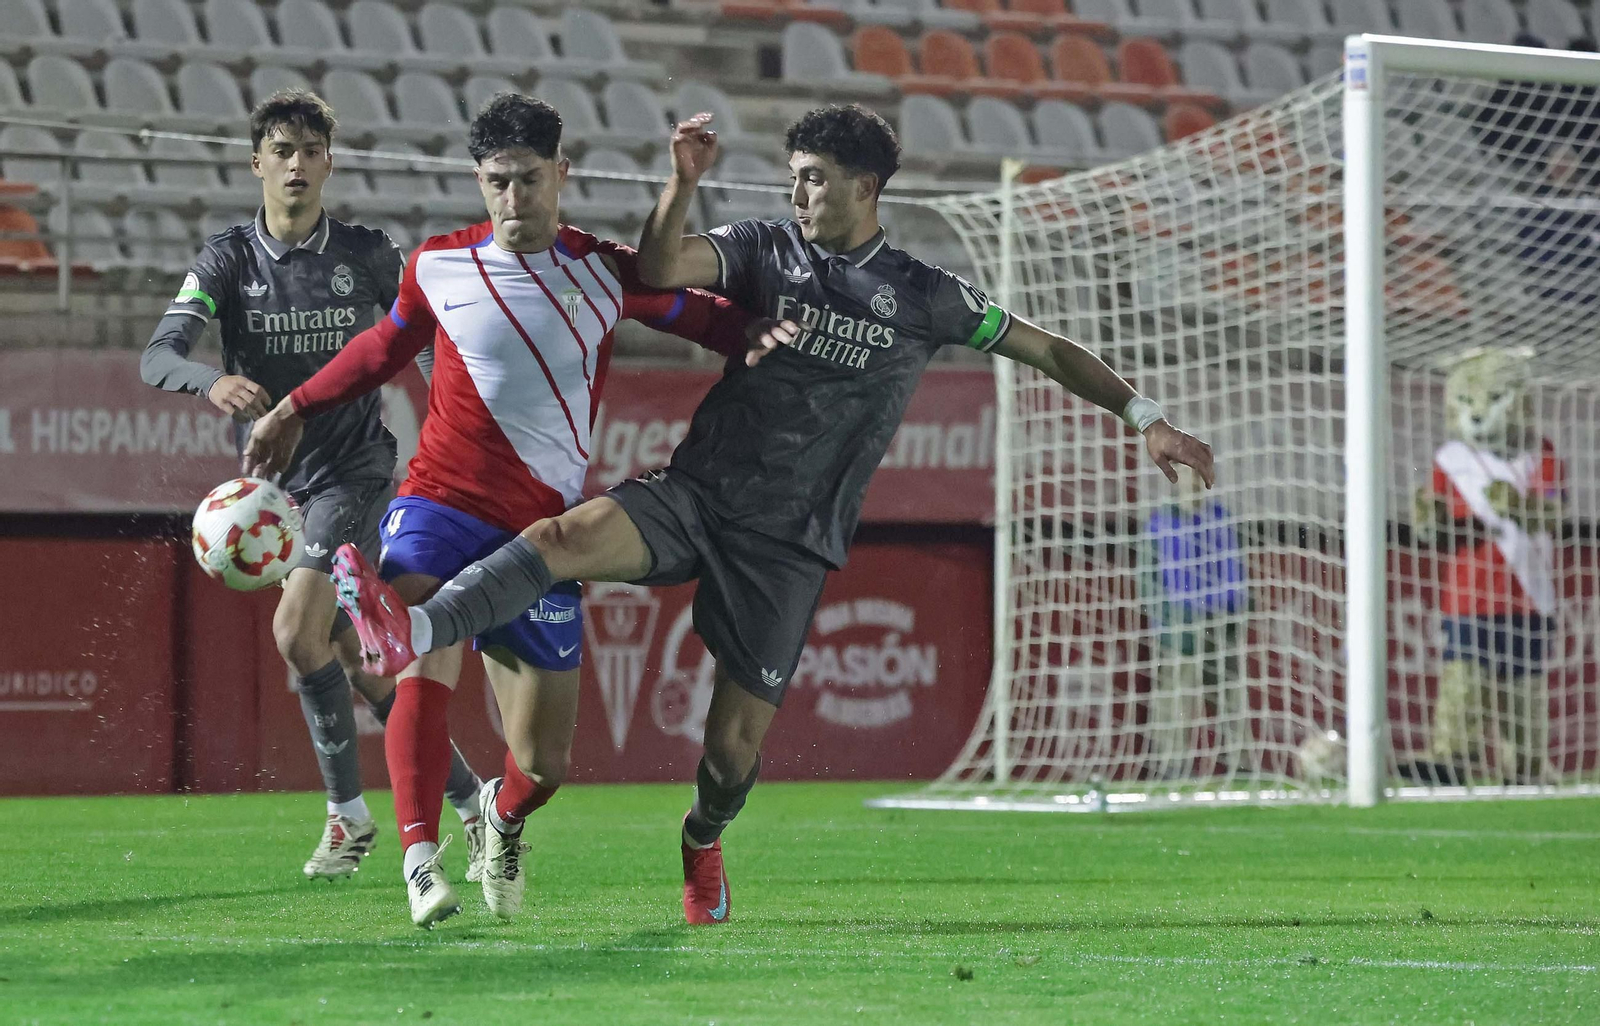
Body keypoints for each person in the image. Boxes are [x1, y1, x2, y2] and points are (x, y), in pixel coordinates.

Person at [323, 104, 1214, 926]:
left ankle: (700, 840)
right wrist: (680, 185)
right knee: (560, 538)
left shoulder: (924, 295)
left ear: (867, 188)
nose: (798, 192)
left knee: (729, 757)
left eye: (816, 177)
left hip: (790, 542)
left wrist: (1149, 420)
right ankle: (412, 624)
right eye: (792, 174)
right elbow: (666, 268)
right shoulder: (763, 248)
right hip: (698, 494)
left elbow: (1045, 347)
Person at [242, 93, 764, 928]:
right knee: (416, 648)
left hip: (544, 542)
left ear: (560, 175)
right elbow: (382, 349)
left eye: (527, 181)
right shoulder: (439, 266)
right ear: (477, 182)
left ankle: (503, 815)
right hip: (439, 505)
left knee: (546, 762)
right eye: (496, 183)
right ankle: (419, 859)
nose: (512, 200)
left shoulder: (606, 271)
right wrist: (293, 405)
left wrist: (770, 337)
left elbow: (708, 320)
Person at [140, 89, 484, 881]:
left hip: (355, 470)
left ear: (330, 162)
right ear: (256, 161)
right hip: (275, 489)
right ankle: (472, 802)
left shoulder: (366, 253)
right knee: (352, 662)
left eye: (310, 151)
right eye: (281, 151)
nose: (296, 165)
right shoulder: (226, 260)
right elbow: (157, 353)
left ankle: (347, 817)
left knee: (296, 635)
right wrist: (209, 381)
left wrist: (448, 421)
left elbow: (425, 340)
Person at [1142, 464, 1250, 780]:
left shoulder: (1221, 519)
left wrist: (1234, 609)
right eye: (1185, 474)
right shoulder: (1161, 523)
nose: (1192, 481)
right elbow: (1148, 581)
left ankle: (1239, 764)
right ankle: (1171, 765)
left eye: (1196, 474)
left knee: (1230, 694)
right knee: (1176, 697)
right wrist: (1164, 621)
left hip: (1220, 623)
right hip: (1180, 627)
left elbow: (1235, 570)